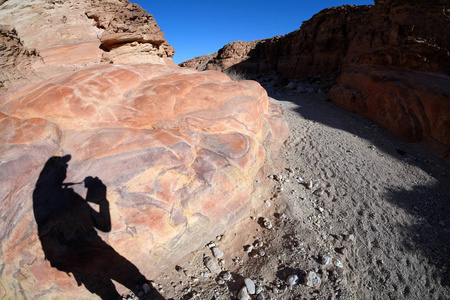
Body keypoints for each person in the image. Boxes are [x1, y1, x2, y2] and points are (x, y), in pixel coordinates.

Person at [33, 155, 162, 299]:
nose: (66, 170)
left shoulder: (44, 203)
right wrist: (101, 200)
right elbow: (104, 226)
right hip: (101, 256)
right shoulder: (71, 198)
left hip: (80, 268)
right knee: (141, 286)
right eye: (63, 168)